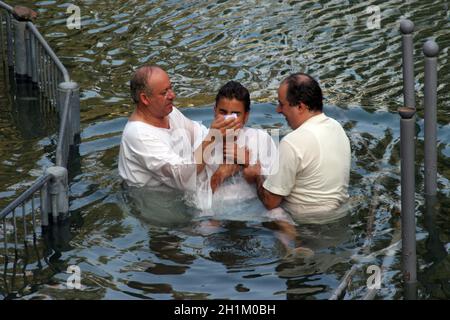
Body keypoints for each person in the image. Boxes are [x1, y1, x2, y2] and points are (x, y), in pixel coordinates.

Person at [118, 65, 240, 208]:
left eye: (171, 88)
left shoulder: (168, 112)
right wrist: (213, 138)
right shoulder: (139, 135)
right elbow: (184, 176)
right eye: (164, 92)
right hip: (156, 206)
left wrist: (227, 142)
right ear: (145, 99)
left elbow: (199, 134)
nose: (172, 95)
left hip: (181, 192)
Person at [243, 72, 351, 224]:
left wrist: (256, 176)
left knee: (270, 213)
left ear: (300, 107)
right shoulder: (336, 127)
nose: (278, 110)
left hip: (304, 225)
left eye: (282, 104)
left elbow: (270, 202)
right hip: (339, 216)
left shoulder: (293, 142)